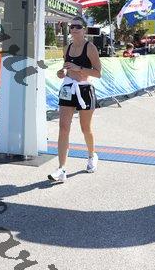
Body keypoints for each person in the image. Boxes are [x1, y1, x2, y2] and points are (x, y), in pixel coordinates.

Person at [48, 16, 102, 183]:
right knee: (63, 127)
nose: (74, 29)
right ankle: (61, 169)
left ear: (84, 29)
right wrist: (61, 73)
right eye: (72, 26)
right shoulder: (67, 47)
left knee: (85, 128)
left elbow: (98, 73)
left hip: (84, 89)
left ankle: (92, 155)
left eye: (78, 26)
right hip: (67, 88)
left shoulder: (90, 47)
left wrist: (80, 68)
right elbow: (65, 68)